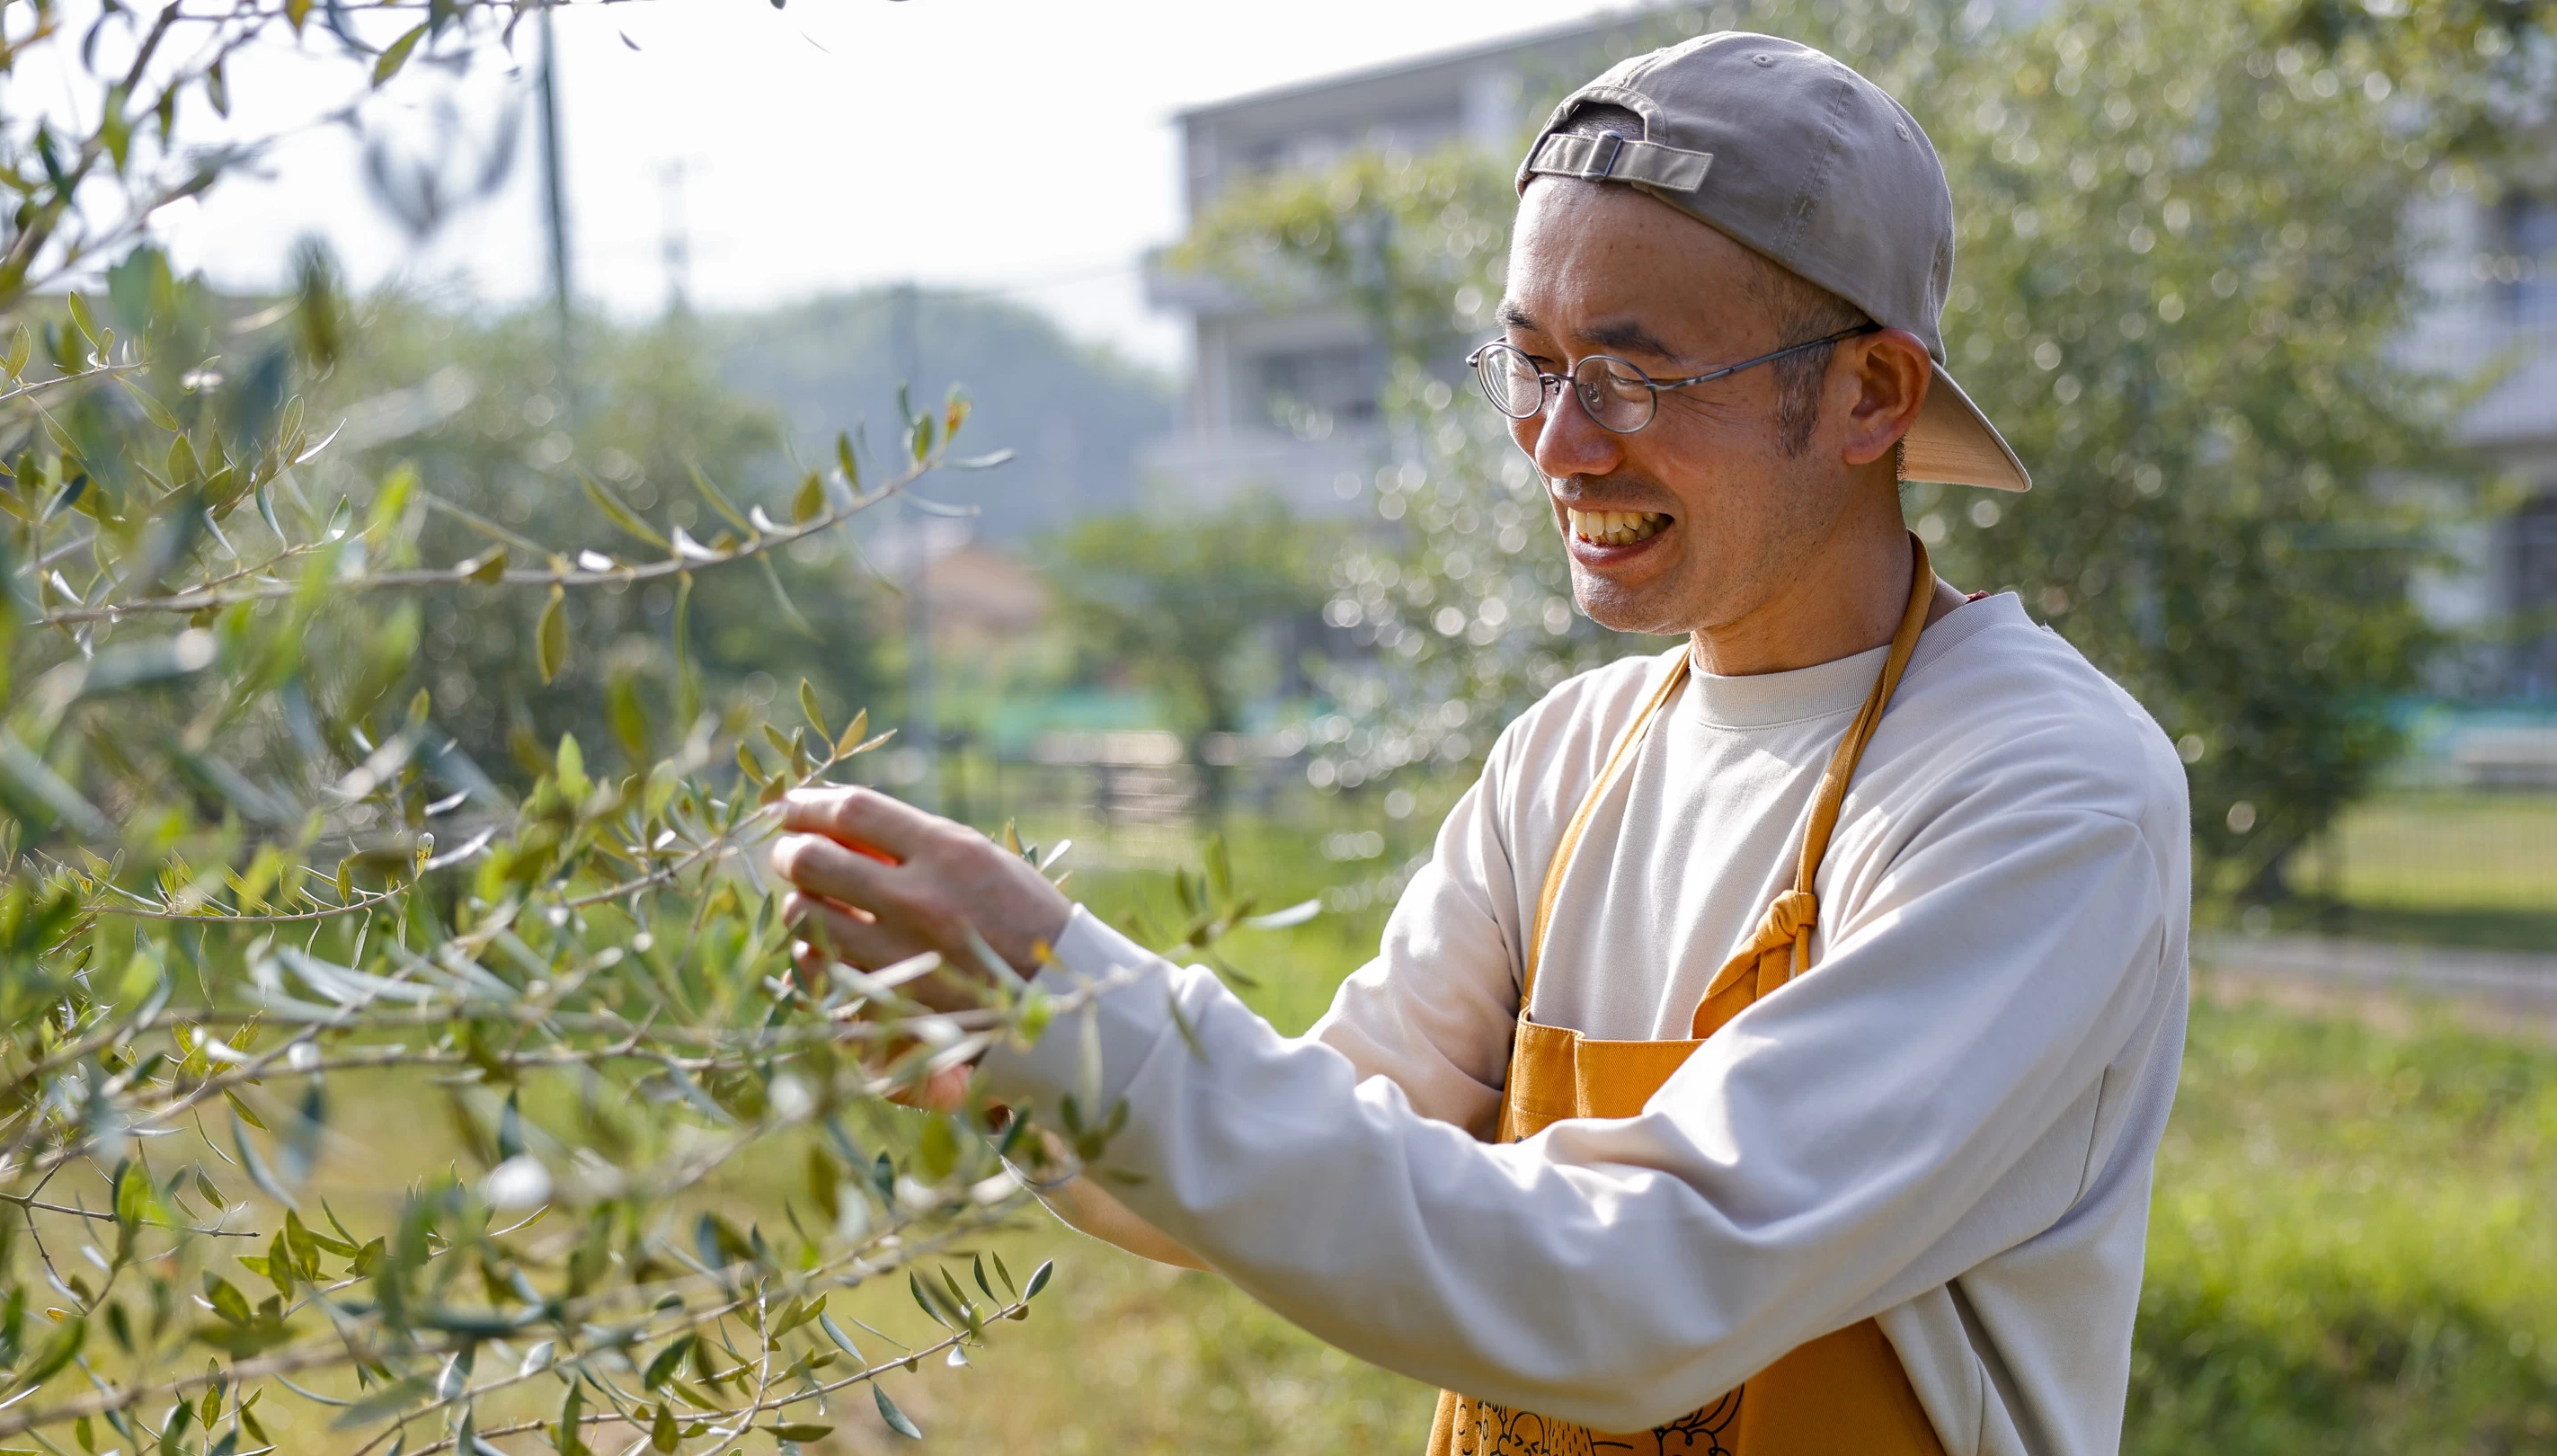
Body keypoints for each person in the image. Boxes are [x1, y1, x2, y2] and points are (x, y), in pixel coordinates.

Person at [772, 31, 2188, 1456]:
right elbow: (1307, 1155)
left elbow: (1649, 1286)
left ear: (1872, 394)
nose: (1560, 446)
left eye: (1636, 379)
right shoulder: (1568, 761)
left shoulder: (2037, 790)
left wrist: (1085, 999)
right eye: (1530, 364)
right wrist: (1015, 1057)